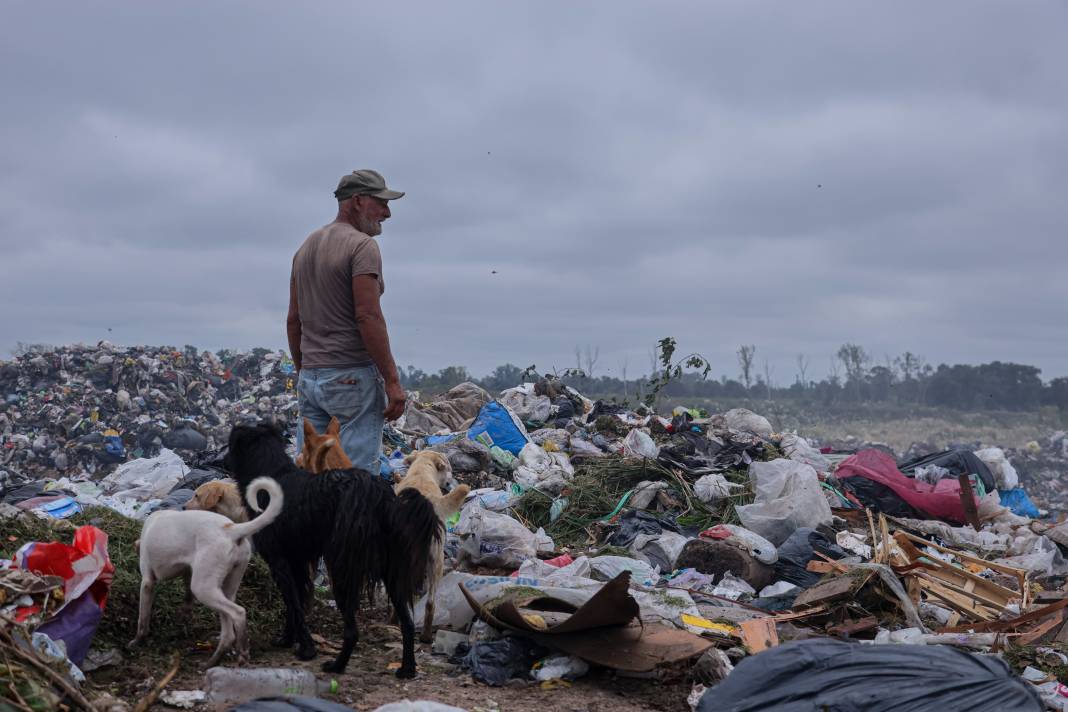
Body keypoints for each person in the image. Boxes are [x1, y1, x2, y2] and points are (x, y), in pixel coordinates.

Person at [286, 169, 406, 475]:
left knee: (311, 472)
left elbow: (294, 321)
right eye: (381, 203)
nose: (387, 212)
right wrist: (392, 381)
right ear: (357, 201)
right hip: (350, 378)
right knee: (355, 480)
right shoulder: (362, 247)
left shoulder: (305, 249)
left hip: (311, 378)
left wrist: (305, 372)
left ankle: (309, 523)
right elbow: (368, 315)